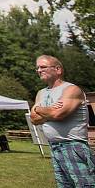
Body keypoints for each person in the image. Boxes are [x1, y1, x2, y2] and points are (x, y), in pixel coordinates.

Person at [30, 55, 95, 187]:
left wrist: (41, 109)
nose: (39, 70)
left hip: (73, 147)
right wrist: (49, 110)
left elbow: (58, 113)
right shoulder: (41, 93)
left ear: (58, 69)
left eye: (43, 67)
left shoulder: (71, 90)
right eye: (37, 68)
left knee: (85, 185)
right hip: (54, 147)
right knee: (64, 185)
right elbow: (34, 119)